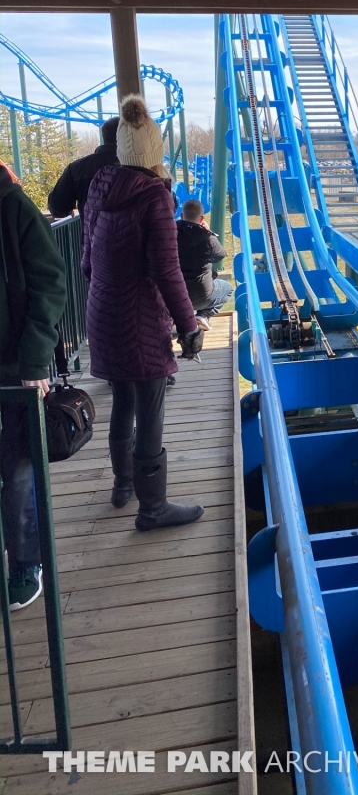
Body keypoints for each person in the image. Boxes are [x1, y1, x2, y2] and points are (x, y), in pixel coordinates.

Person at [82, 94, 204, 530]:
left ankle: (122, 485)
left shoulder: (101, 185)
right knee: (150, 407)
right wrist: (189, 326)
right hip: (139, 320)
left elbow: (86, 262)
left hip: (102, 314)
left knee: (122, 399)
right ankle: (152, 509)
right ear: (153, 151)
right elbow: (167, 271)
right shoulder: (155, 197)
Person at [0, 160, 67, 610]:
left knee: (20, 471)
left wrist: (35, 358)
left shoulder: (14, 207)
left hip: (15, 365)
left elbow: (50, 282)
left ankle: (27, 562)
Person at [47, 117, 120, 218]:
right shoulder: (139, 167)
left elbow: (57, 208)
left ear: (104, 136)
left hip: (91, 232)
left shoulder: (77, 168)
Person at [176, 199, 232, 330]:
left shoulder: (170, 235)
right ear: (201, 219)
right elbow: (221, 255)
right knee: (228, 289)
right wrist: (208, 231)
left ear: (182, 216)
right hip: (203, 295)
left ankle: (176, 317)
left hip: (175, 296)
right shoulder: (208, 239)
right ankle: (203, 315)